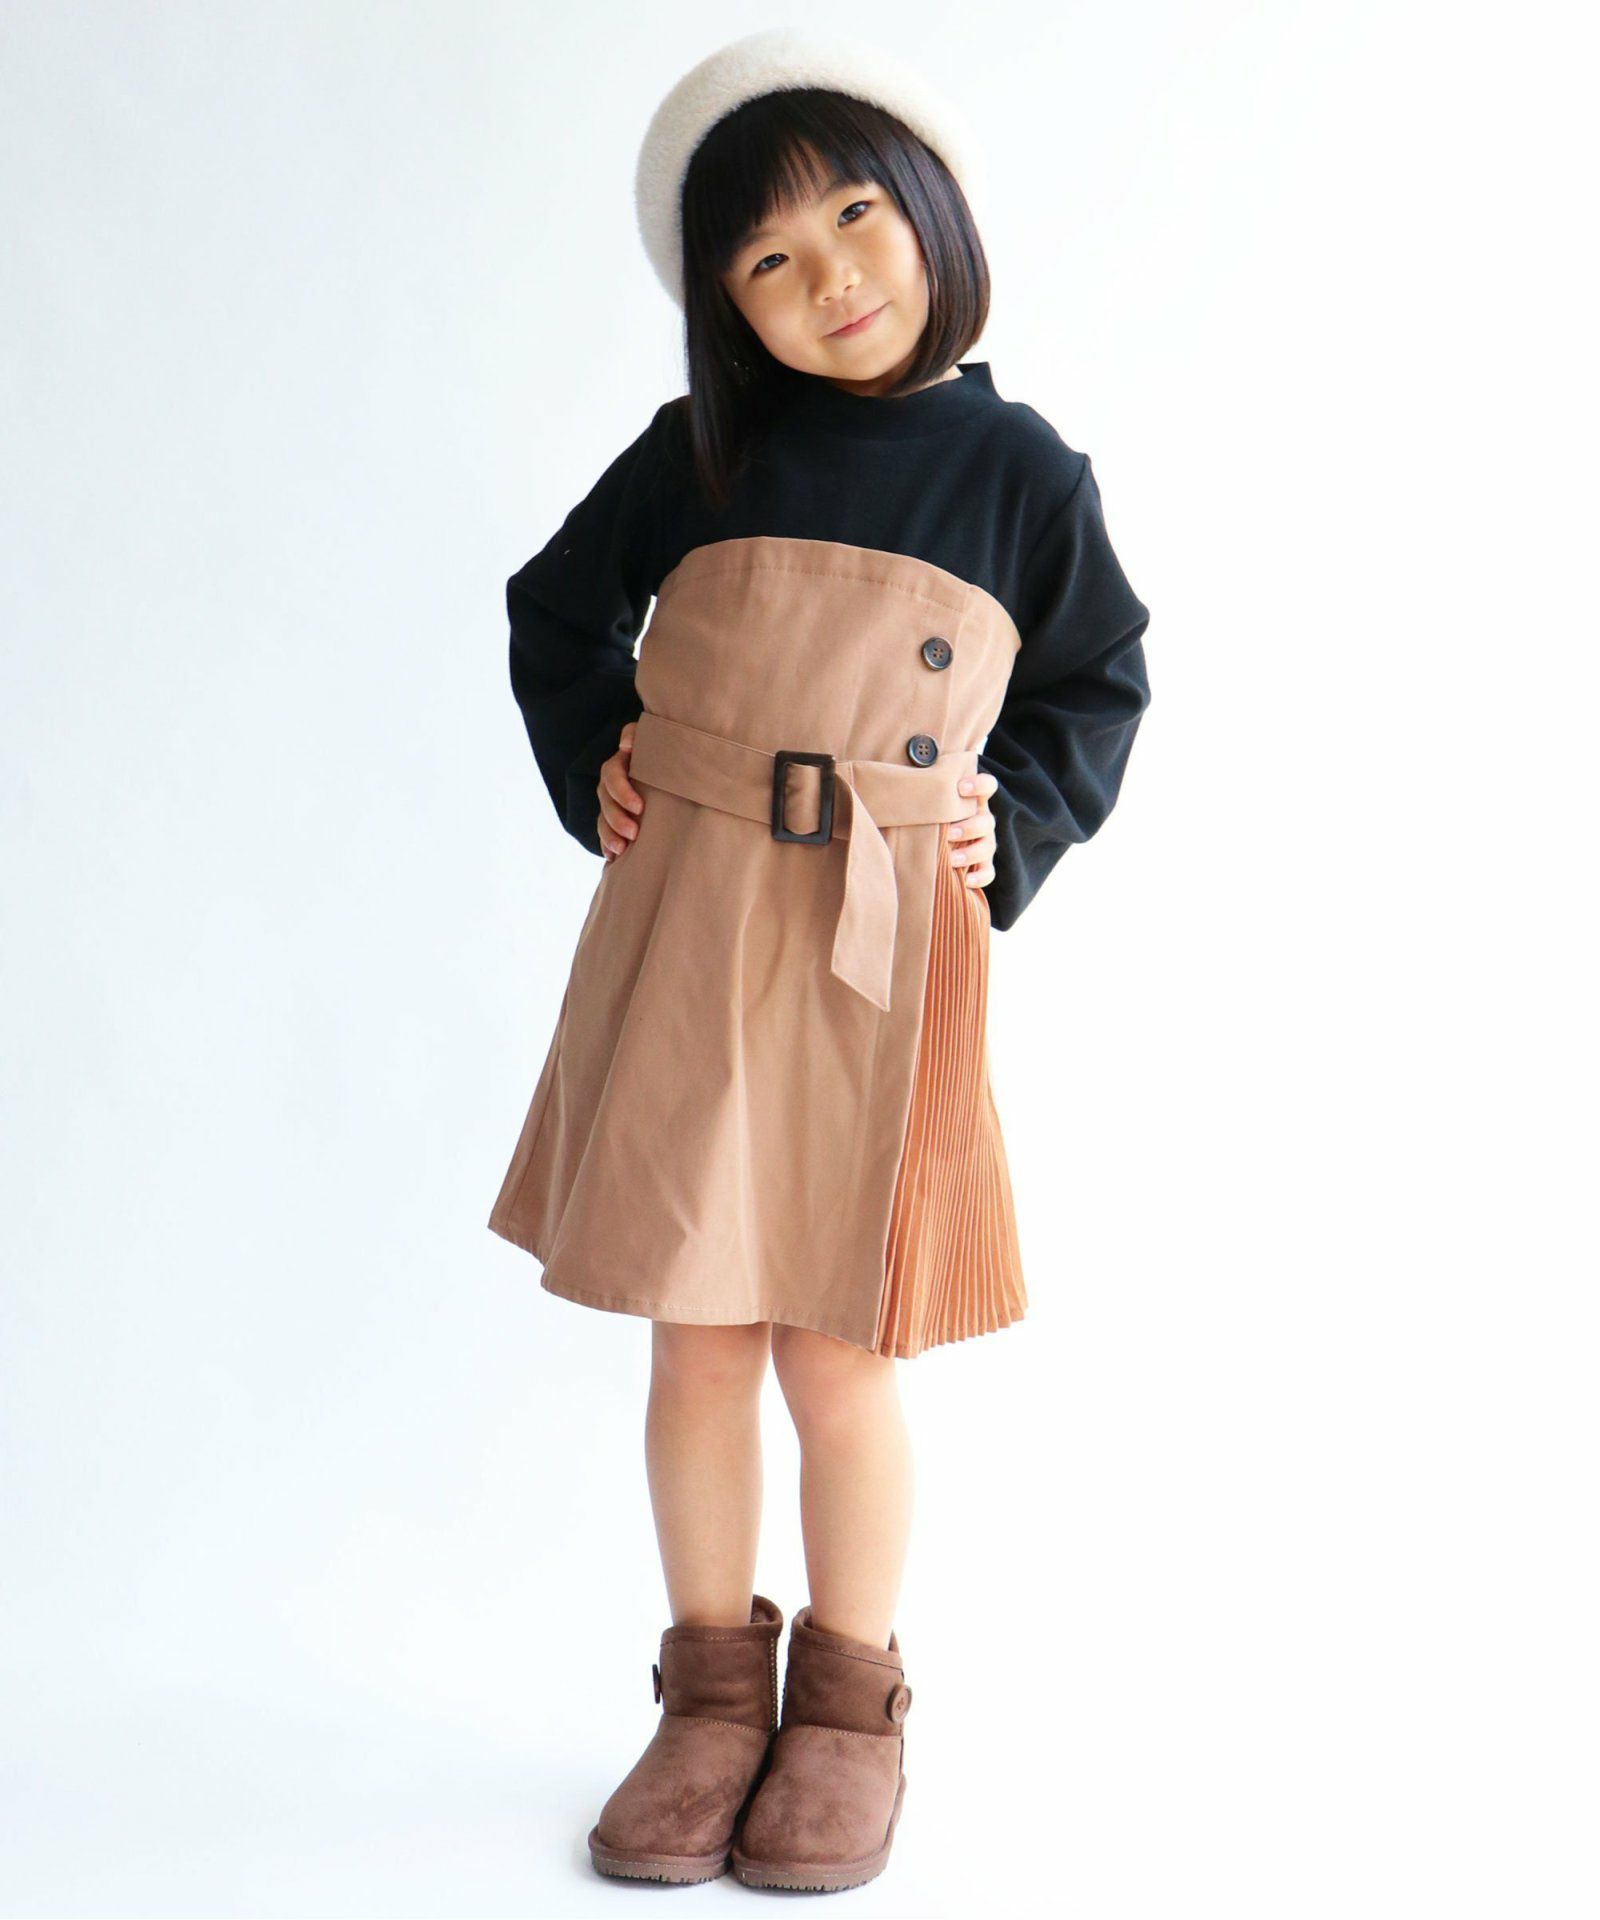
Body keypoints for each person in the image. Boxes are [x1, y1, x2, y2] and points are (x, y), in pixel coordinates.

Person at [485, 28, 1152, 1893]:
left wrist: (1015, 819)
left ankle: (851, 1715)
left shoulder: (1023, 472)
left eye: (857, 215)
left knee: (842, 1352)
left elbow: (1101, 680)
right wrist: (598, 756)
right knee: (698, 1337)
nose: (832, 275)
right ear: (725, 306)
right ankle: (711, 1701)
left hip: (883, 944)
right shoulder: (704, 452)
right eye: (768, 258)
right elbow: (555, 607)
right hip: (695, 920)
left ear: (933, 211)